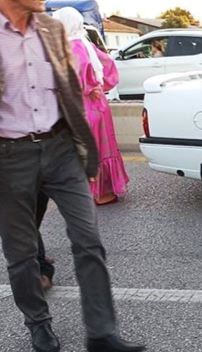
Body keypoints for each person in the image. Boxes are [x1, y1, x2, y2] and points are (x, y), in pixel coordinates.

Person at [0, 0, 145, 352]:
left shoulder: (52, 30)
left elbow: (70, 91)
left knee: (88, 239)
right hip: (10, 156)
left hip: (61, 149)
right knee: (22, 253)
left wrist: (85, 148)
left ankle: (101, 332)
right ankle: (38, 322)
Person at [53, 7, 129, 205]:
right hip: (99, 105)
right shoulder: (86, 44)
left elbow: (71, 82)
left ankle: (95, 193)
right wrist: (99, 85)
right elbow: (109, 66)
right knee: (104, 147)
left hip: (83, 107)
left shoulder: (69, 48)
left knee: (87, 150)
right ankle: (106, 190)